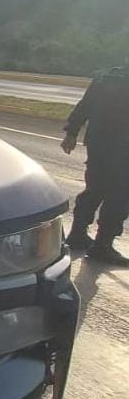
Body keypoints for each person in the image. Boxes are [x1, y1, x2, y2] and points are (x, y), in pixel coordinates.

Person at [61, 64, 129, 266]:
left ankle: (78, 234)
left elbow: (85, 105)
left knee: (95, 188)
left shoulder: (106, 76)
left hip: (98, 142)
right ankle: (102, 245)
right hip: (123, 145)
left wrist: (71, 132)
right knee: (120, 194)